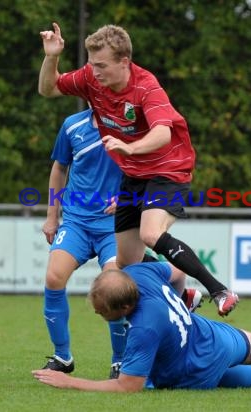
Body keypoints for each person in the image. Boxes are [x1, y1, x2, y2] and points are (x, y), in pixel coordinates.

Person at [38, 22, 239, 316]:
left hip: (168, 171)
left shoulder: (146, 87)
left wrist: (129, 148)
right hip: (134, 176)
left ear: (124, 62)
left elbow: (163, 133)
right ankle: (182, 290)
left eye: (102, 65)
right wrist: (52, 57)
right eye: (92, 64)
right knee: (127, 263)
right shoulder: (92, 78)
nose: (95, 72)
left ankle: (220, 290)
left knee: (150, 234)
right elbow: (49, 88)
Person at [32, 262, 251, 394]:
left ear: (123, 309)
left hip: (191, 371)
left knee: (222, 379)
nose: (95, 312)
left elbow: (128, 387)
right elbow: (178, 272)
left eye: (100, 310)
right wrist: (182, 300)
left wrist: (69, 381)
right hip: (208, 334)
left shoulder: (142, 330)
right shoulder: (140, 274)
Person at [40, 109, 201, 378]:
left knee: (115, 287)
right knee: (54, 278)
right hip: (76, 221)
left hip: (114, 227)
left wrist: (129, 199)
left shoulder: (135, 128)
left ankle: (119, 362)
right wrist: (51, 216)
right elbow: (59, 168)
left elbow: (156, 169)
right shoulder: (72, 125)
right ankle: (62, 356)